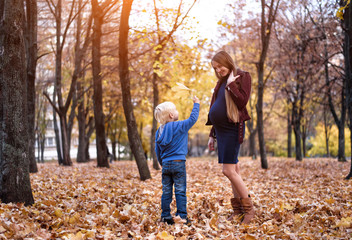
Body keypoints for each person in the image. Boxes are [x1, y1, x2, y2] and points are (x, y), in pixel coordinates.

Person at [206, 50, 255, 224]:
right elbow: (215, 106)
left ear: (227, 61)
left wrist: (231, 85)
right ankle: (238, 210)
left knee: (227, 171)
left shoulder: (243, 76)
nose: (218, 70)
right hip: (221, 131)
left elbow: (242, 103)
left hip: (232, 129)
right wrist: (212, 134)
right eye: (215, 68)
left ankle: (250, 211)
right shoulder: (220, 83)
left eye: (220, 66)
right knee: (234, 170)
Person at [154, 96, 200, 225]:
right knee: (180, 190)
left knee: (166, 191)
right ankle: (182, 217)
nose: (177, 111)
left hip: (166, 164)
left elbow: (157, 150)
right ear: (171, 114)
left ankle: (165, 216)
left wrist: (162, 164)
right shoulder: (180, 126)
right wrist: (196, 104)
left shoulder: (159, 131)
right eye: (175, 109)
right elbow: (192, 119)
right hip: (179, 163)